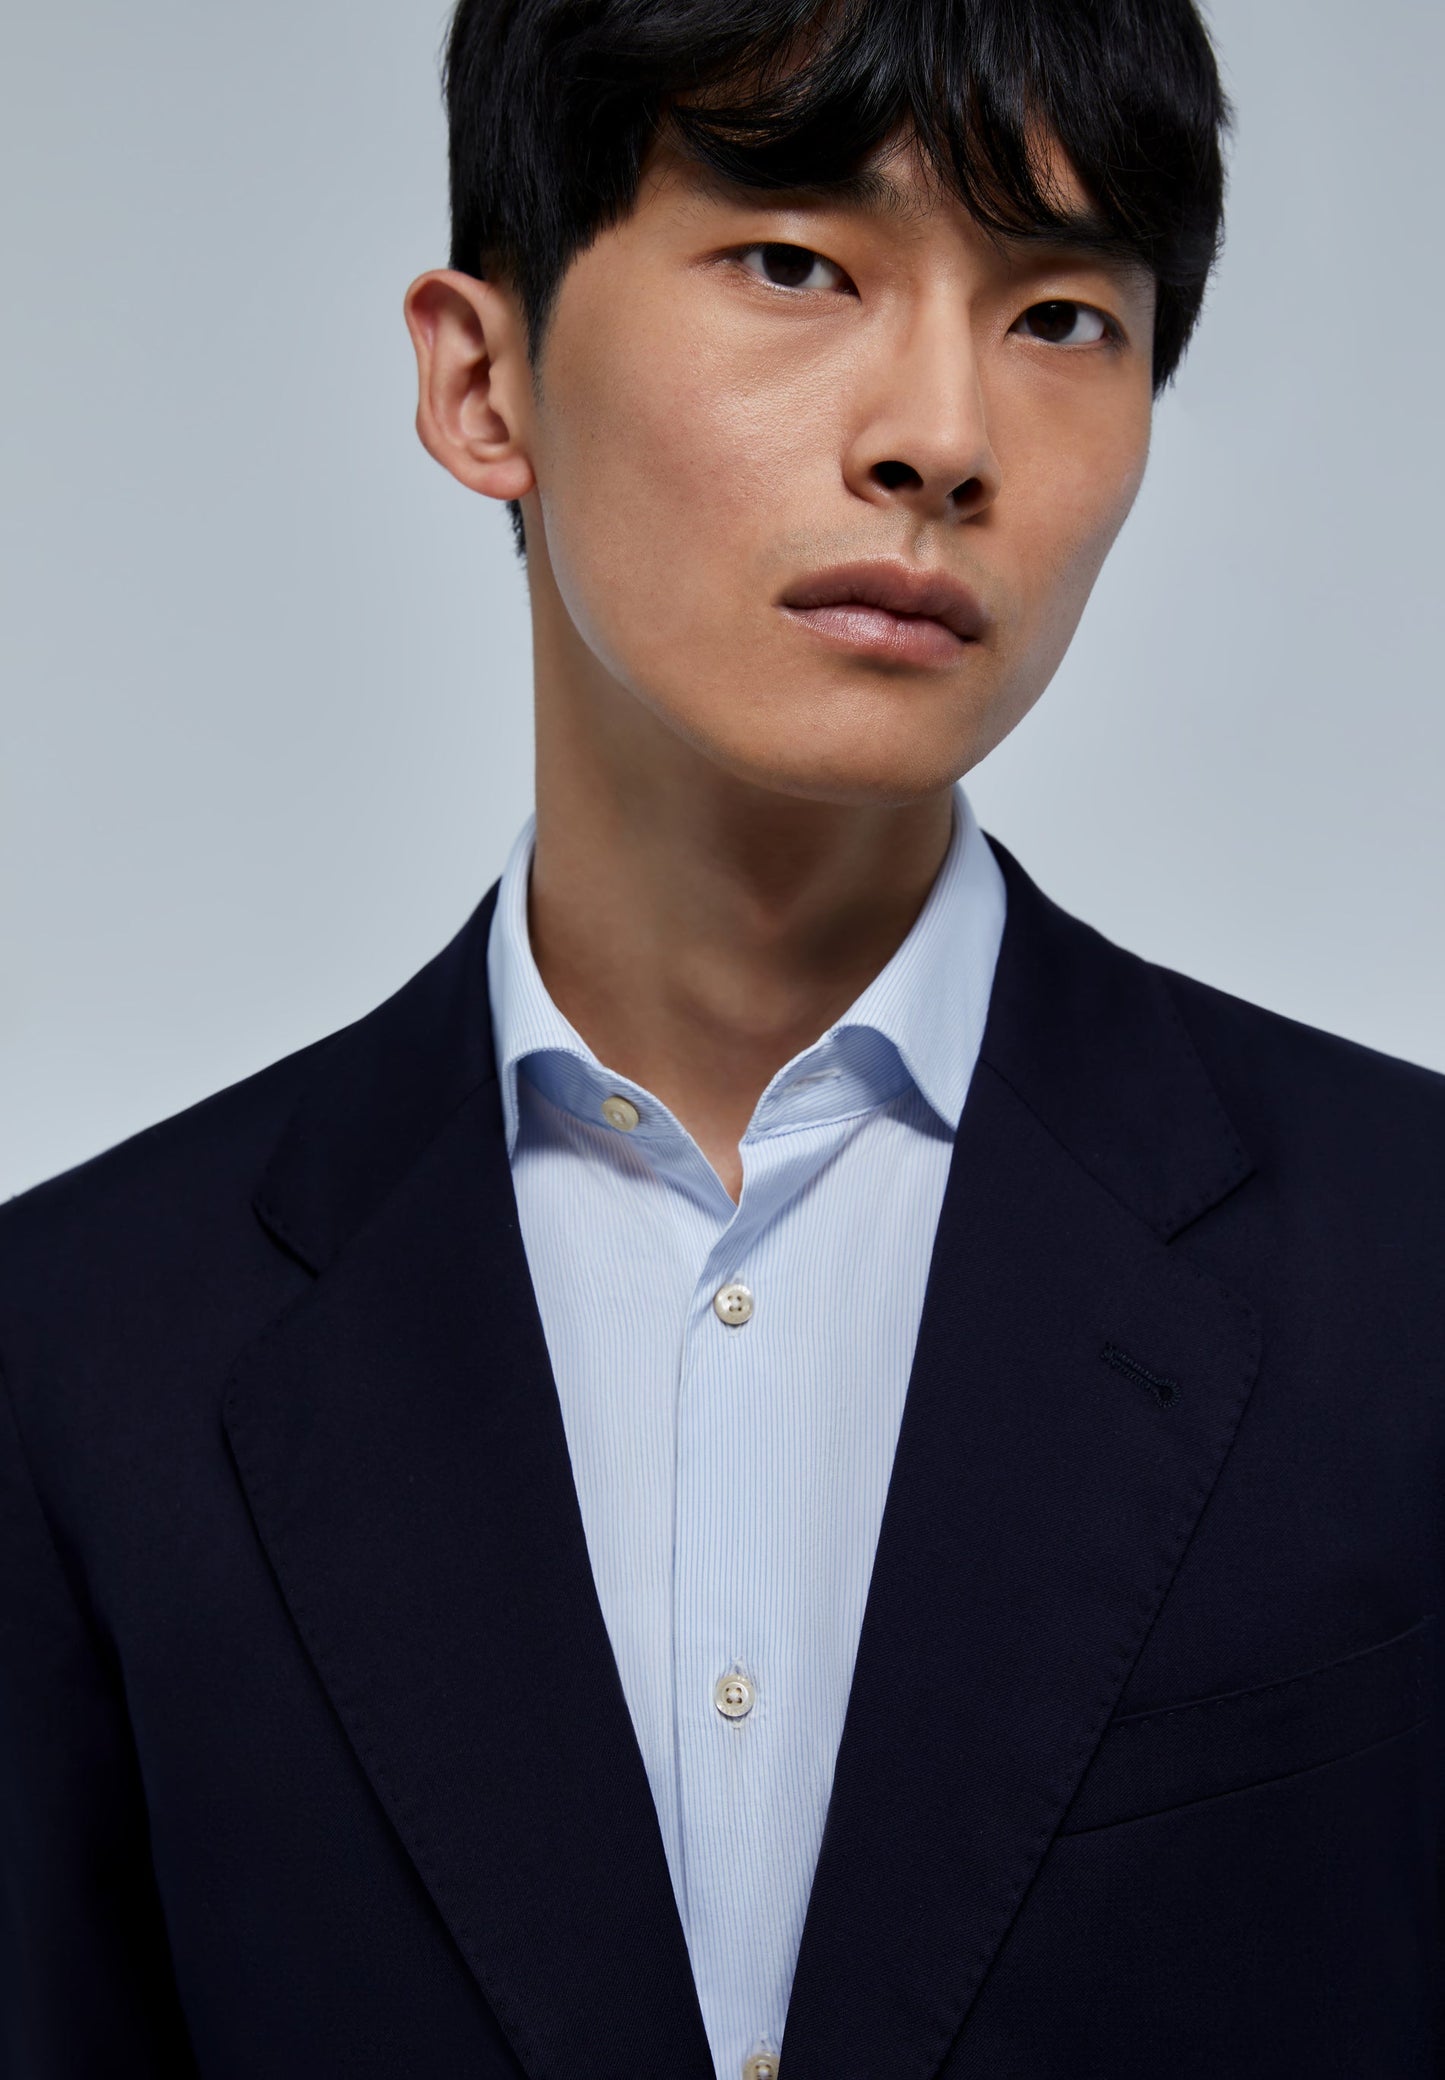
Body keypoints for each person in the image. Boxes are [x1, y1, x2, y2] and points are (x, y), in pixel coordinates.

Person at [2, 0, 1440, 2073]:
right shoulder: (78, 1354)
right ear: (482, 379)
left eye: (1062, 318)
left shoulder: (1406, 1264)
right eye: (794, 262)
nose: (940, 434)